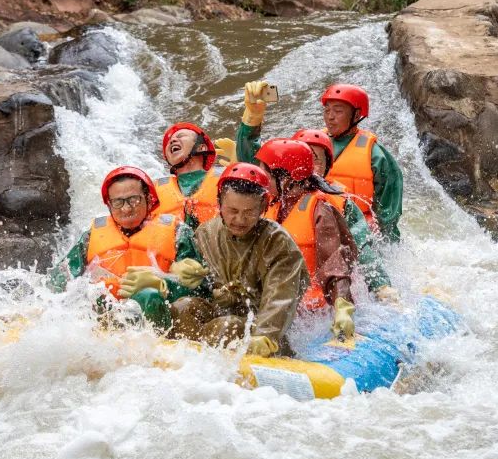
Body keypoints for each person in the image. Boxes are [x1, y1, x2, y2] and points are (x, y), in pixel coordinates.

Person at [235, 80, 404, 242]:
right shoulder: (308, 143)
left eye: (338, 111)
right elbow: (260, 168)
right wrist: (252, 120)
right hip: (310, 221)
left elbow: (389, 209)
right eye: (327, 110)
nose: (330, 117)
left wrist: (382, 239)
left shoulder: (376, 155)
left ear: (357, 115)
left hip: (356, 226)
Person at [168, 163, 309, 358]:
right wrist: (177, 270)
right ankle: (184, 365)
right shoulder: (205, 233)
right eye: (232, 210)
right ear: (219, 204)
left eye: (249, 212)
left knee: (228, 326)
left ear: (263, 207)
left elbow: (281, 297)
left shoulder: (278, 243)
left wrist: (265, 335)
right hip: (220, 314)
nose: (240, 220)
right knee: (183, 307)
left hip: (260, 328)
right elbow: (197, 284)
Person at [48, 166, 196, 330]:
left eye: (134, 200)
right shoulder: (91, 237)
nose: (126, 208)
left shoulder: (178, 232)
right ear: (109, 205)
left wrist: (163, 283)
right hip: (108, 316)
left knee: (149, 295)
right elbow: (59, 280)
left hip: (159, 314)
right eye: (118, 202)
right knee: (89, 299)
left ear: (148, 198)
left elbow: (202, 289)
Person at [254, 138, 360, 338]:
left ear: (286, 178)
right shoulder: (271, 204)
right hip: (277, 303)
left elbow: (334, 262)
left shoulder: (320, 210)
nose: (261, 179)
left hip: (312, 311)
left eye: (265, 173)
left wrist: (342, 306)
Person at [290, 128, 398, 304]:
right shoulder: (271, 198)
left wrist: (381, 286)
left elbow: (362, 246)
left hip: (322, 299)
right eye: (302, 159)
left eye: (315, 160)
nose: (308, 166)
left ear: (327, 166)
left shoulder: (340, 203)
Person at [153, 122, 222, 229]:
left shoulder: (224, 179)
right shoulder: (153, 190)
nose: (172, 140)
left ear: (201, 148)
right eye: (170, 141)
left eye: (181, 136)